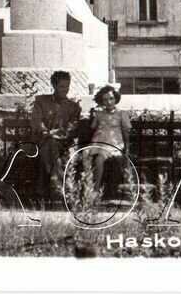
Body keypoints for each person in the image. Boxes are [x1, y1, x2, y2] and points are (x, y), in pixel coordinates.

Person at [30, 70, 81, 201]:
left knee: (52, 147)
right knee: (50, 145)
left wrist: (64, 134)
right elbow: (37, 121)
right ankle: (58, 187)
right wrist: (47, 132)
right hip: (43, 141)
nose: (65, 90)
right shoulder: (41, 101)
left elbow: (73, 127)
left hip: (63, 143)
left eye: (67, 86)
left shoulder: (73, 107)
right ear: (54, 85)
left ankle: (43, 189)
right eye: (62, 86)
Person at [86, 85, 133, 199]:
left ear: (115, 98)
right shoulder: (99, 113)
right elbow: (92, 128)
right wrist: (94, 115)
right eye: (105, 99)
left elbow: (126, 132)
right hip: (98, 142)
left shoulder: (122, 113)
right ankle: (85, 186)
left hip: (113, 143)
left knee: (100, 157)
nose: (109, 102)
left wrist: (127, 148)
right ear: (102, 101)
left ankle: (95, 190)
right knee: (84, 154)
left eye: (111, 98)